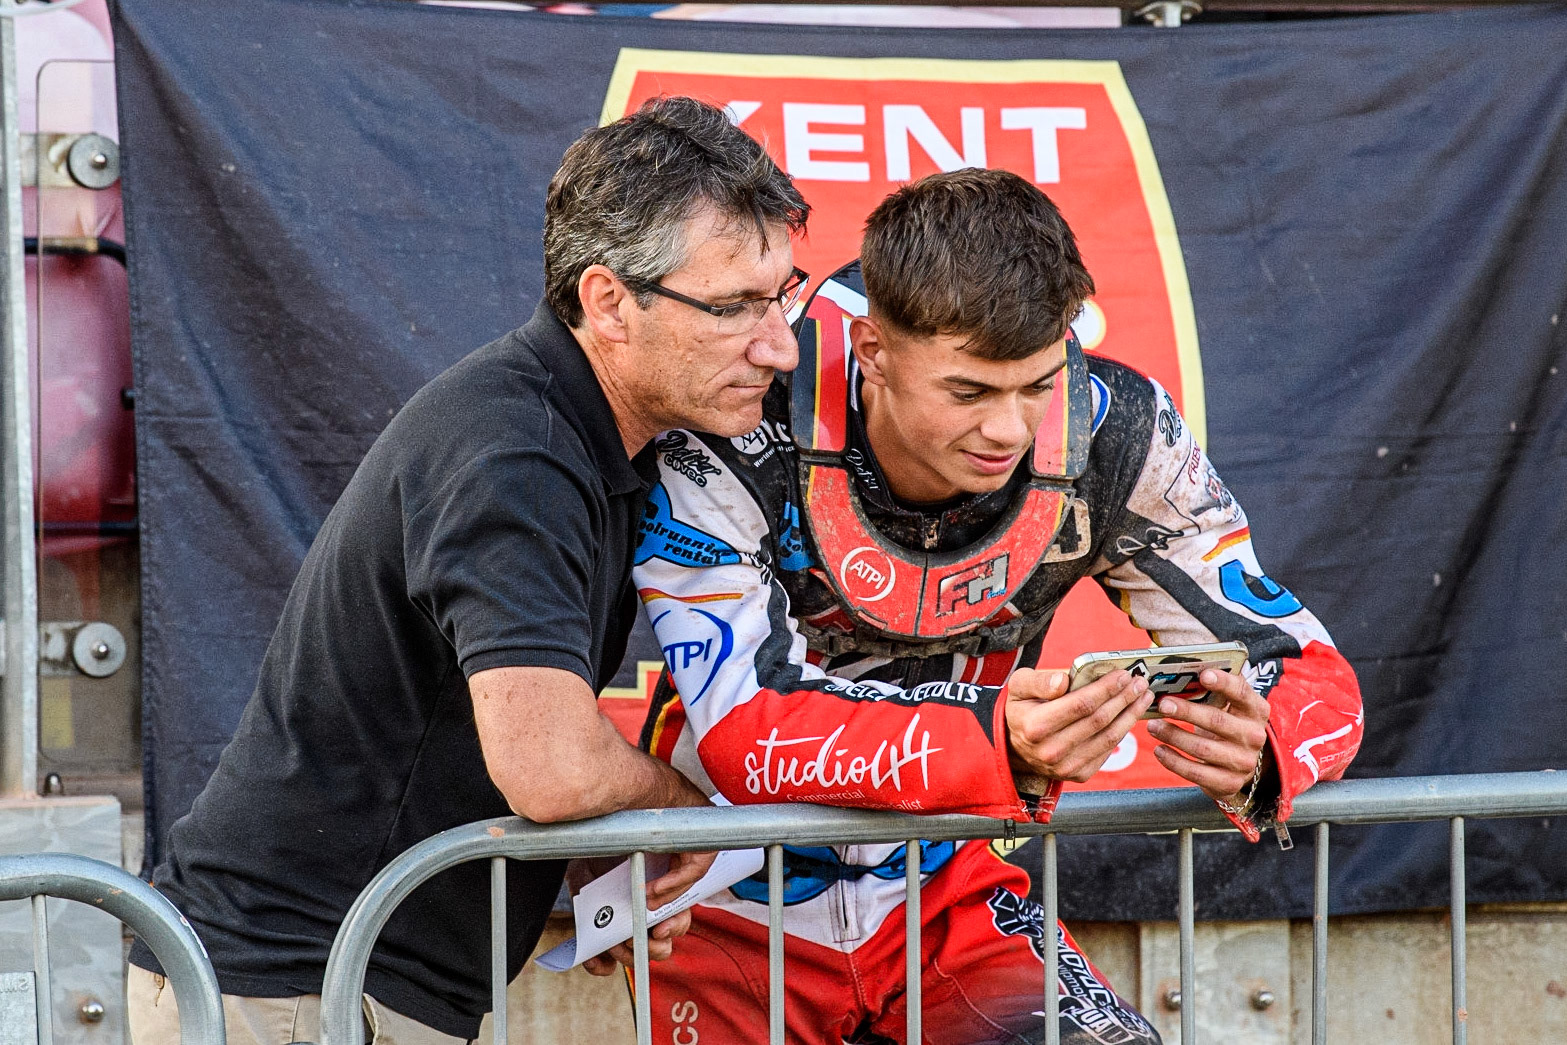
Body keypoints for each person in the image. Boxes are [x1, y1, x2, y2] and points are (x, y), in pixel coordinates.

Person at [125, 97, 810, 1045]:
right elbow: (552, 765)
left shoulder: (573, 430)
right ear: (608, 301)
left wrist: (592, 863)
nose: (777, 343)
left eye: (784, 293)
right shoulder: (517, 452)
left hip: (331, 984)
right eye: (733, 305)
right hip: (296, 990)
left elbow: (475, 737)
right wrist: (679, 813)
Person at [629, 168, 1363, 1044]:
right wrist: (993, 736)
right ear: (872, 351)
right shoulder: (736, 418)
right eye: (969, 392)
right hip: (724, 901)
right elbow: (743, 732)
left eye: (1036, 384)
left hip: (951, 890)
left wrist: (1263, 738)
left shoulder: (1117, 431)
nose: (1009, 431)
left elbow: (1311, 670)